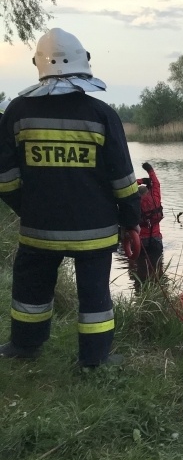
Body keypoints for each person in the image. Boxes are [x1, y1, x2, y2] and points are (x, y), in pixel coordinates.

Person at [0, 28, 141, 367]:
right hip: (95, 230)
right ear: (84, 63)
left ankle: (24, 347)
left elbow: (4, 179)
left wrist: (29, 209)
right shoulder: (101, 115)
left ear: (39, 64)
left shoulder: (17, 113)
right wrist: (131, 222)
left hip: (38, 229)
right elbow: (123, 180)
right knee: (95, 297)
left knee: (31, 290)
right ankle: (94, 360)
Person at [135, 162, 164, 282]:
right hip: (156, 238)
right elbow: (156, 183)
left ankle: (141, 286)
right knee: (158, 266)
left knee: (141, 267)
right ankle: (158, 283)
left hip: (141, 241)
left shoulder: (134, 202)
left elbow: (127, 186)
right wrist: (150, 170)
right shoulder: (155, 197)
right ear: (148, 191)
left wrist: (140, 181)